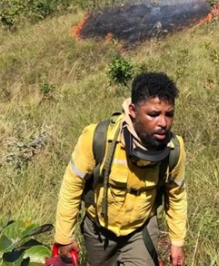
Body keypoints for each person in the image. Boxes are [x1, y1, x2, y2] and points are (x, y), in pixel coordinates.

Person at [53, 72, 187, 266]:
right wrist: (64, 237)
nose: (163, 123)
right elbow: (72, 185)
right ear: (133, 110)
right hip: (99, 230)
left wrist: (177, 242)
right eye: (153, 114)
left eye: (169, 114)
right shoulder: (97, 138)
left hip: (140, 231)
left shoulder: (174, 149)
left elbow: (177, 195)